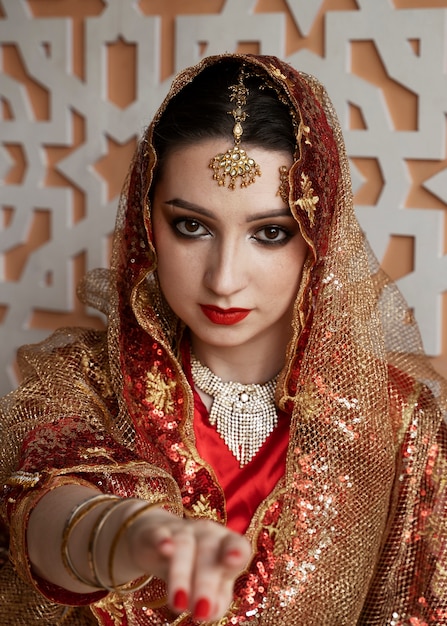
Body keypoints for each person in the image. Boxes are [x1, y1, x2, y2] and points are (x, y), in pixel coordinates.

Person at [0, 53, 446, 626]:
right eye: (192, 226)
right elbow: (40, 503)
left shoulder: (395, 421)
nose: (223, 277)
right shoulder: (84, 380)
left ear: (320, 237)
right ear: (145, 224)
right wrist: (132, 535)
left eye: (270, 233)